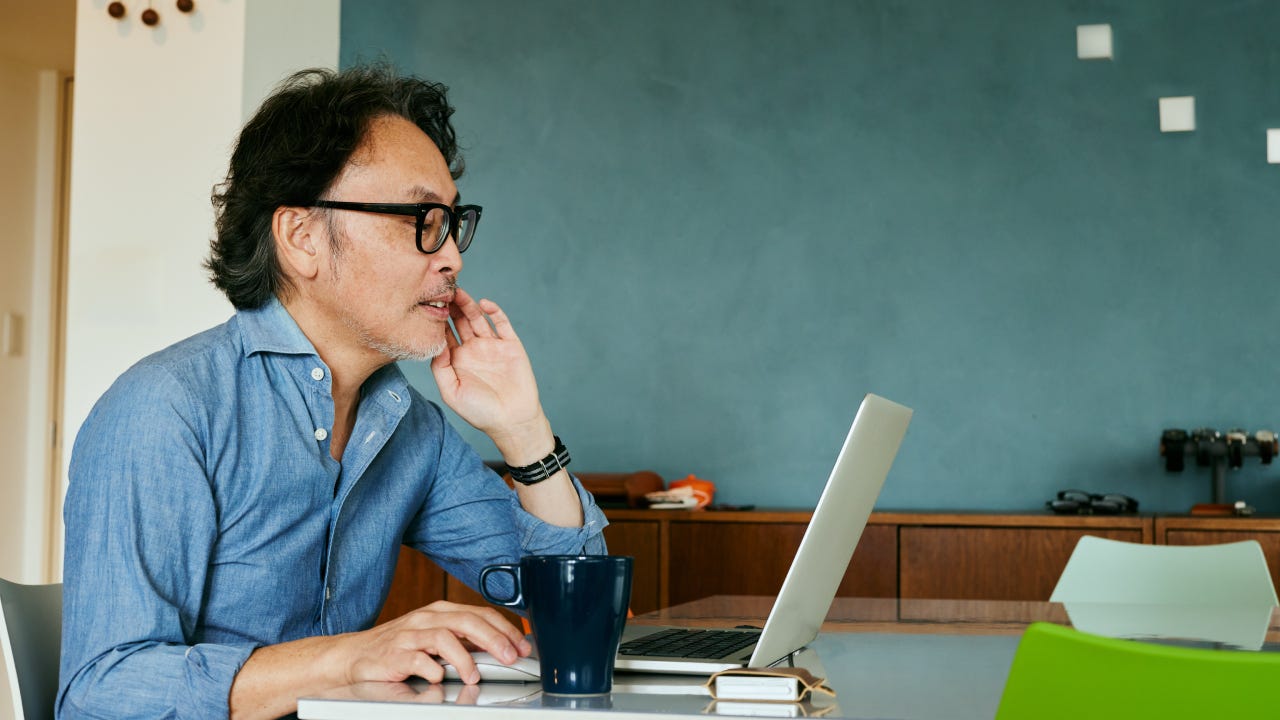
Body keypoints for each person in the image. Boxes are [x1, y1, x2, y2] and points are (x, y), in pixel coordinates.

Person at [57, 65, 608, 719]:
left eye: (454, 222)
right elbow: (101, 693)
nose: (452, 256)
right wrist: (347, 659)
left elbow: (577, 612)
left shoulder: (410, 428)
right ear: (302, 238)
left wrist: (523, 429)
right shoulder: (166, 409)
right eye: (421, 219)